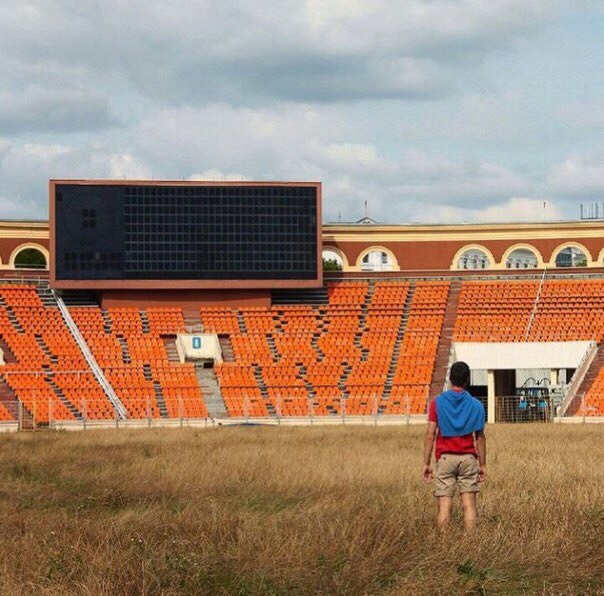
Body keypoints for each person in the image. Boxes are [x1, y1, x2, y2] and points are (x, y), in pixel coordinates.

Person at [422, 361, 487, 530]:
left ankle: (444, 544)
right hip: (468, 458)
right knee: (469, 506)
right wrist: (483, 464)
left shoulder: (437, 403)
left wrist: (426, 463)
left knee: (444, 505)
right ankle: (471, 542)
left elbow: (430, 435)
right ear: (467, 381)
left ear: (450, 379)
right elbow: (479, 438)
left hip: (444, 458)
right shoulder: (477, 405)